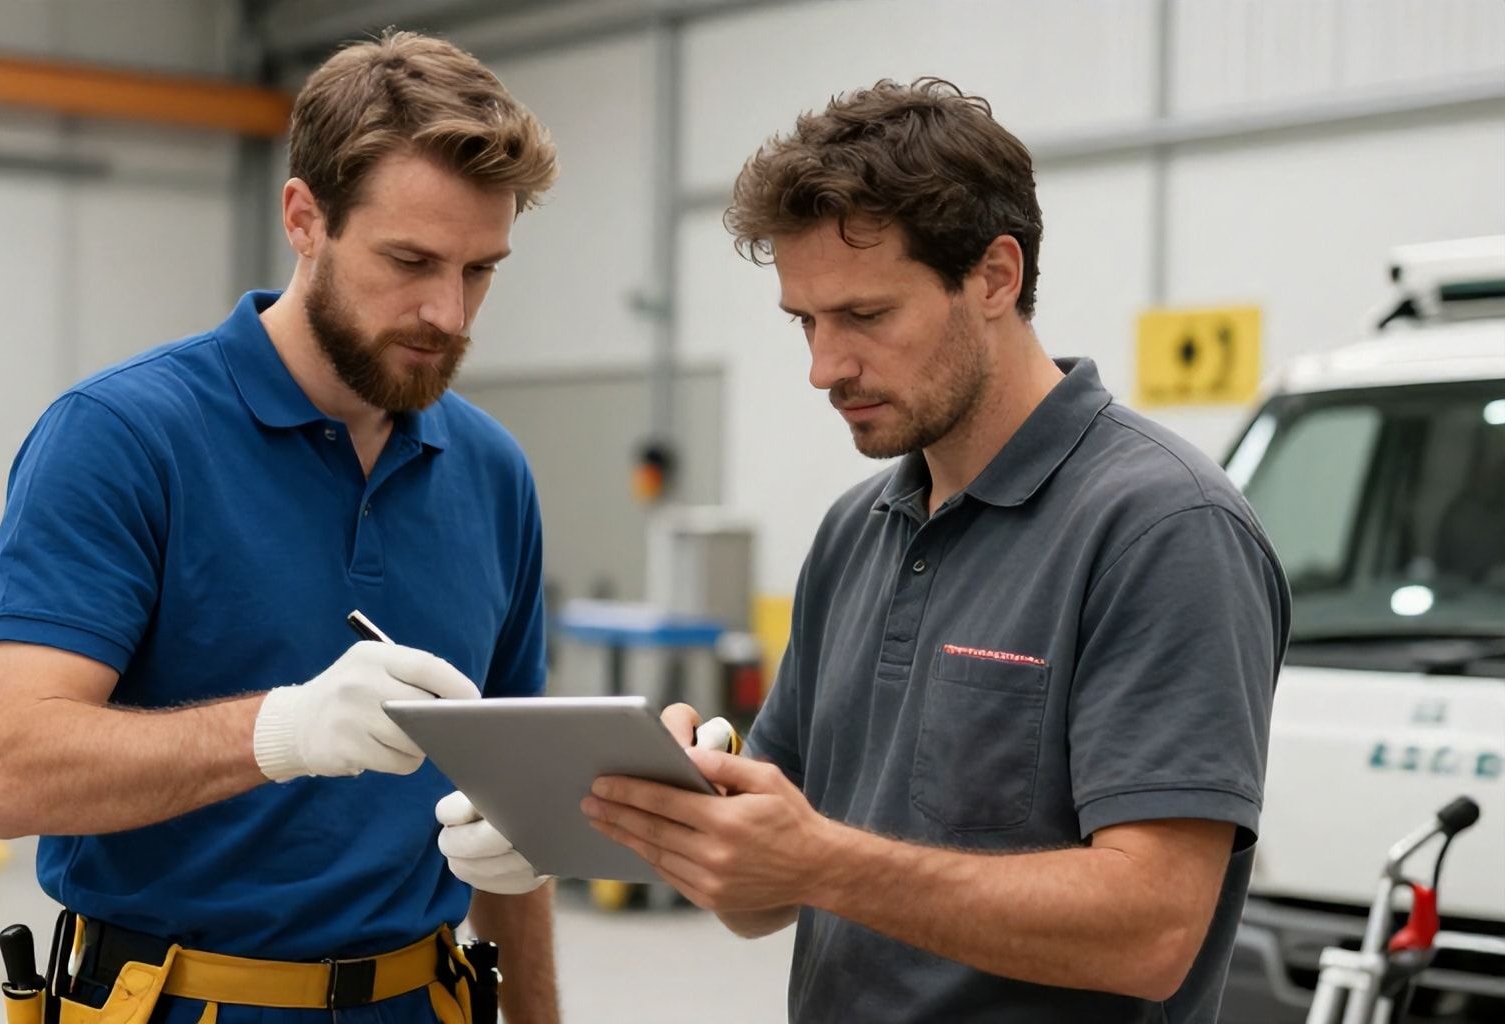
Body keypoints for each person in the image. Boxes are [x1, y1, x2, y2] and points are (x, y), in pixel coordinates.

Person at [445, 78, 1288, 1023]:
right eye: (806, 321)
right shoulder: (858, 531)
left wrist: (820, 858)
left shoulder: (1164, 528)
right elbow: (761, 903)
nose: (823, 367)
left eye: (865, 316)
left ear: (996, 278)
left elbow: (1153, 933)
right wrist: (677, 811)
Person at [0, 31, 560, 1024]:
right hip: (176, 1001)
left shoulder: (493, 472)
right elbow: (12, 770)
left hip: (426, 999)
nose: (446, 312)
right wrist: (278, 732)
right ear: (304, 218)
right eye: (409, 260)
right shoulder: (122, 437)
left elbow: (506, 807)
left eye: (480, 270)